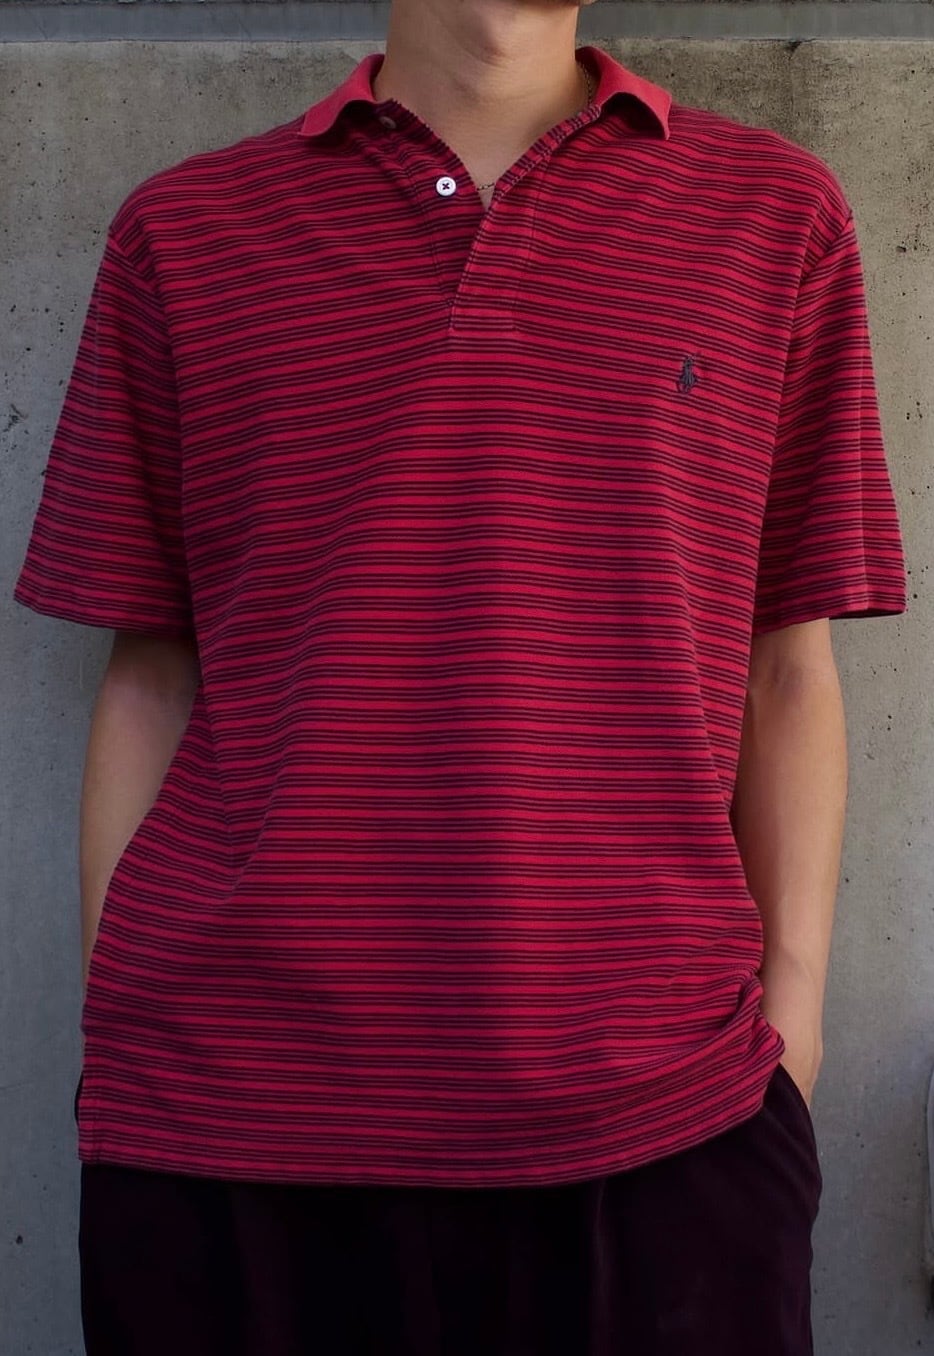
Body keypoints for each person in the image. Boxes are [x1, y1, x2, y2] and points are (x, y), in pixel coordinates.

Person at [14, 0, 906, 1352]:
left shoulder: (771, 216)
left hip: (666, 1122)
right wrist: (122, 1033)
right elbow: (149, 672)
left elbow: (786, 666)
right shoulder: (186, 233)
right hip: (229, 1124)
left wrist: (790, 1036)